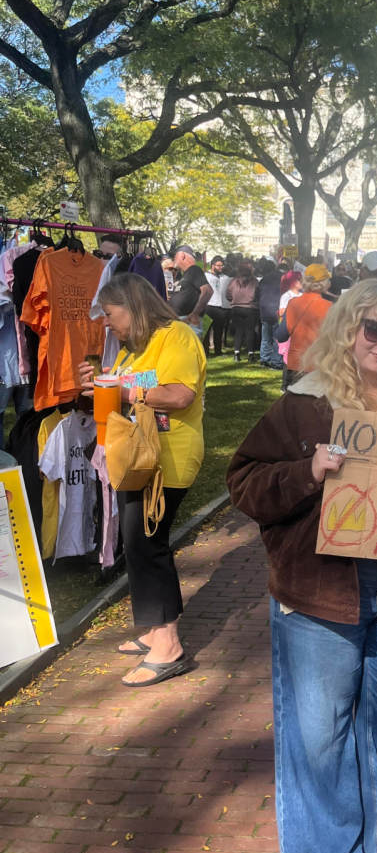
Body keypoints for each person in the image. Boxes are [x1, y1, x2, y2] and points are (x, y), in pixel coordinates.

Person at [226, 281, 377, 853]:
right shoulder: (305, 402)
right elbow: (243, 481)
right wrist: (308, 471)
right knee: (319, 732)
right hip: (319, 585)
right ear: (348, 327)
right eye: (372, 329)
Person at [78, 274, 206, 686]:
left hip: (166, 459)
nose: (105, 322)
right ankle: (155, 630)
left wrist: (122, 391)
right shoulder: (136, 348)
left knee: (147, 543)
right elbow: (135, 385)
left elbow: (179, 394)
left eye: (109, 313)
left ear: (132, 306)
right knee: (138, 542)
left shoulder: (176, 336)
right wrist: (100, 382)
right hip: (139, 458)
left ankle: (168, 647)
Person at [281, 264, 332, 388]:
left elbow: (281, 335)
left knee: (293, 399)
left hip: (295, 362)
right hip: (318, 364)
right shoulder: (331, 307)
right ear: (324, 283)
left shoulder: (292, 303)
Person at [169, 246, 212, 338]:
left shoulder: (194, 270)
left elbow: (208, 290)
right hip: (181, 323)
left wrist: (195, 313)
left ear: (182, 255)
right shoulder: (187, 274)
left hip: (189, 324)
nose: (173, 259)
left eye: (175, 255)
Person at [226, 261, 260, 363]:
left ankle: (236, 354)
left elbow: (227, 294)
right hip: (251, 309)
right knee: (250, 332)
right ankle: (251, 355)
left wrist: (234, 301)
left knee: (239, 332)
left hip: (236, 308)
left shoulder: (234, 281)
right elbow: (259, 294)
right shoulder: (254, 281)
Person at [257, 259, 284, 370]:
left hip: (264, 311)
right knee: (277, 338)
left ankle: (264, 359)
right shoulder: (282, 279)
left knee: (265, 337)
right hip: (278, 311)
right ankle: (276, 361)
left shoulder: (264, 280)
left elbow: (257, 294)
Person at [204, 256, 231, 358]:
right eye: (218, 266)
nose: (220, 268)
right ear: (212, 266)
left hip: (221, 307)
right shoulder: (206, 276)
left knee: (219, 330)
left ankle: (218, 351)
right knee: (207, 331)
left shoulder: (225, 277)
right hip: (209, 306)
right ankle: (206, 351)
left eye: (222, 266)